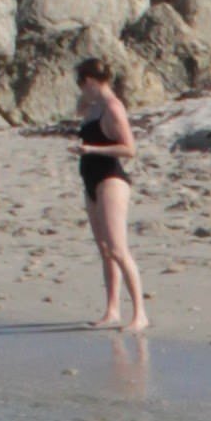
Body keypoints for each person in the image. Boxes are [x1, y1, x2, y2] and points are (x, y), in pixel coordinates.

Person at [74, 59, 147, 333]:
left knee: (118, 249)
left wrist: (92, 150)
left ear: (91, 80)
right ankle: (112, 310)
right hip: (90, 180)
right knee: (105, 251)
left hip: (111, 180)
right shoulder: (92, 107)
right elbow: (79, 112)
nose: (81, 89)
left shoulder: (114, 108)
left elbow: (129, 149)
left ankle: (140, 313)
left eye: (82, 83)